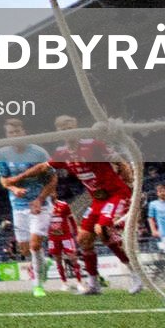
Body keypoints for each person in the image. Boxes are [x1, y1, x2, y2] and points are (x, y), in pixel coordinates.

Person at [49, 115, 142, 296]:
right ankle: (93, 284)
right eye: (61, 128)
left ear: (77, 127)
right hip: (97, 200)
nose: (66, 131)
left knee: (103, 230)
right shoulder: (62, 153)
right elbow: (46, 167)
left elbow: (120, 163)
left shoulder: (93, 145)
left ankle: (135, 273)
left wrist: (132, 187)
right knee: (84, 239)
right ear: (57, 132)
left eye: (69, 127)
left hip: (115, 194)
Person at [0, 117, 55, 297]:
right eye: (10, 133)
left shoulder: (38, 153)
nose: (14, 135)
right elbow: (4, 179)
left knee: (35, 245)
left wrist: (40, 198)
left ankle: (38, 286)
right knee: (24, 249)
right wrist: (14, 188)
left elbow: (53, 179)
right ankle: (44, 263)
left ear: (24, 132)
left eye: (16, 132)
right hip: (18, 206)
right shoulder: (3, 153)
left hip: (40, 204)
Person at [43, 196, 80, 289]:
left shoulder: (63, 205)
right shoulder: (44, 206)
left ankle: (79, 282)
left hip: (66, 236)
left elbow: (71, 218)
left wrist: (76, 232)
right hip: (53, 238)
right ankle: (64, 282)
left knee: (73, 257)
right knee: (58, 260)